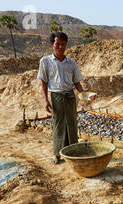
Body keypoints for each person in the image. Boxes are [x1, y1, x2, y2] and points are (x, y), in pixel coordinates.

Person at [37, 32, 94, 164]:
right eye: (58, 44)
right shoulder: (45, 61)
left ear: (66, 45)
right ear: (52, 44)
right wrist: (46, 100)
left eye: (63, 44)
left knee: (72, 124)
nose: (60, 47)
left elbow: (77, 83)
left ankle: (72, 152)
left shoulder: (71, 63)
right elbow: (43, 82)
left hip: (70, 97)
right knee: (58, 125)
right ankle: (57, 155)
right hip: (56, 96)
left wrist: (86, 95)